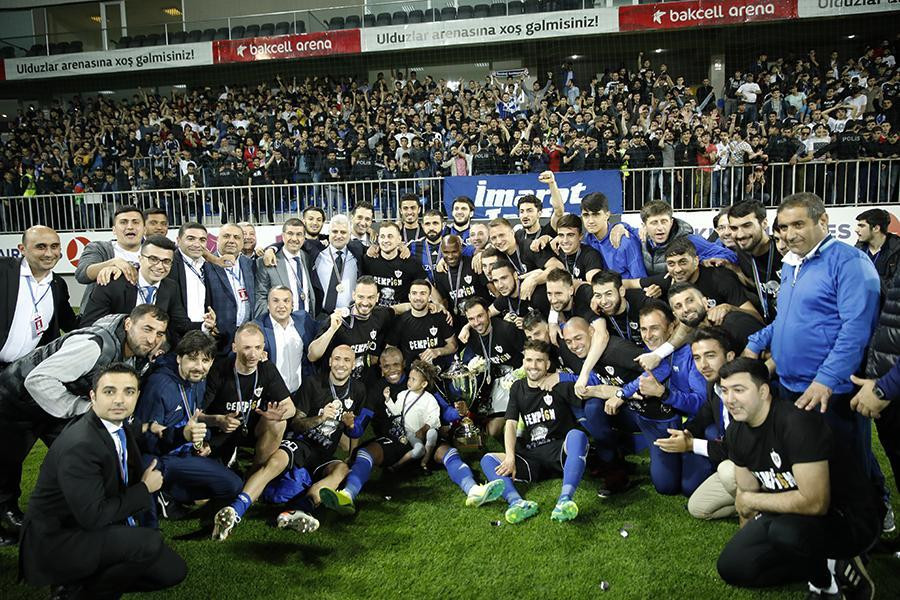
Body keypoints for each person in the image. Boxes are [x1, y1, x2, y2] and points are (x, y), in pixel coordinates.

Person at [744, 193, 883, 512]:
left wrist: (826, 379)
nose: (789, 234)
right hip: (791, 385)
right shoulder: (793, 263)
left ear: (823, 221)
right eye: (783, 227)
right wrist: (756, 341)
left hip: (831, 390)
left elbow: (856, 329)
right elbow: (786, 319)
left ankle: (873, 515)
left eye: (798, 224)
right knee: (811, 459)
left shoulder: (849, 262)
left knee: (848, 462)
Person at [18, 363, 187, 599]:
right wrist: (144, 488)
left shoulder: (115, 425)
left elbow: (139, 436)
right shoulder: (81, 446)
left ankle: (84, 582)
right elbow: (94, 516)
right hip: (56, 541)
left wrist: (182, 434)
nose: (119, 400)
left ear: (137, 396)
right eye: (109, 391)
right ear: (93, 396)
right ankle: (73, 592)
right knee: (148, 543)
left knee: (172, 570)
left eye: (128, 392)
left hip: (87, 526)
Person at [716, 358, 880, 600]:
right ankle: (828, 562)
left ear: (763, 392)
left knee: (785, 533)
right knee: (734, 566)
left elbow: (815, 502)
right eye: (724, 391)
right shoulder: (736, 431)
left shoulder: (797, 423)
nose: (729, 399)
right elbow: (746, 494)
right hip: (790, 515)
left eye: (739, 390)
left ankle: (826, 585)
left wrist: (751, 501)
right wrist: (748, 537)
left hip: (847, 518)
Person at [0, 305, 168, 537]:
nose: (152, 339)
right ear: (128, 324)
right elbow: (37, 380)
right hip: (14, 399)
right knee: (6, 463)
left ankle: (83, 508)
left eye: (159, 334)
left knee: (80, 455)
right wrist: (85, 408)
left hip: (54, 404)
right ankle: (7, 516)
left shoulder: (132, 352)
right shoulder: (93, 347)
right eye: (147, 329)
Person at [213, 345, 367, 540]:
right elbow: (296, 423)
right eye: (337, 359)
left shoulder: (358, 390)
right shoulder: (313, 383)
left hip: (324, 453)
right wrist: (320, 418)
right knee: (275, 462)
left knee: (342, 470)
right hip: (302, 443)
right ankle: (235, 510)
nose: (341, 364)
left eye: (346, 360)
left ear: (353, 365)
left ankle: (300, 510)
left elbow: (355, 430)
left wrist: (351, 432)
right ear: (329, 361)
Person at [595, 301, 710, 496]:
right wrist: (621, 394)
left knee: (691, 488)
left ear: (672, 327)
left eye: (654, 328)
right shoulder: (650, 353)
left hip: (691, 426)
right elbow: (643, 379)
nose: (648, 335)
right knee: (665, 486)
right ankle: (625, 450)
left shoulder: (692, 355)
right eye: (643, 329)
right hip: (661, 424)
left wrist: (664, 394)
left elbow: (702, 406)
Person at [479, 340, 590, 524]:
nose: (533, 365)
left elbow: (588, 389)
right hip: (533, 457)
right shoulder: (518, 387)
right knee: (488, 460)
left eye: (539, 361)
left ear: (547, 364)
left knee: (577, 436)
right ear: (523, 362)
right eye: (529, 360)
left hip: (560, 453)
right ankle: (517, 503)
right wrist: (510, 457)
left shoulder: (559, 384)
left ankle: (565, 500)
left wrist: (562, 376)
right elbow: (511, 424)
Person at [134, 331, 242, 518]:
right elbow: (145, 440)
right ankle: (160, 493)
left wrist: (213, 423)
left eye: (205, 360)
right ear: (179, 358)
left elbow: (192, 414)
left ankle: (170, 493)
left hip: (184, 454)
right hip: (159, 457)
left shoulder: (198, 379)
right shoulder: (159, 385)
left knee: (233, 485)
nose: (199, 367)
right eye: (192, 359)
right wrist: (182, 436)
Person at [317, 359, 442, 515]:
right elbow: (366, 420)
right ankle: (347, 495)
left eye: (396, 364)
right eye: (386, 366)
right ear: (381, 368)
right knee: (364, 452)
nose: (392, 370)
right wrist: (352, 426)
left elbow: (439, 413)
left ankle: (468, 485)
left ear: (403, 365)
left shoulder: (429, 396)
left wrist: (436, 424)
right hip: (396, 438)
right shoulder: (382, 390)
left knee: (443, 450)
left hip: (418, 441)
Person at [204, 323, 296, 502]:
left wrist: (280, 414)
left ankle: (253, 478)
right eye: (247, 348)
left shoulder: (266, 368)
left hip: (251, 428)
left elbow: (290, 407)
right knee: (205, 497)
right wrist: (218, 420)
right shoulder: (219, 370)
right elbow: (199, 414)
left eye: (258, 347)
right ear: (234, 347)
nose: (253, 354)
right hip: (222, 431)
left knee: (278, 423)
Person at [655, 328, 737, 520]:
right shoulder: (714, 383)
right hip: (734, 460)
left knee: (727, 470)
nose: (703, 365)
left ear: (730, 357)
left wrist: (691, 445)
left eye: (710, 356)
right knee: (698, 508)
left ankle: (763, 504)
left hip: (755, 465)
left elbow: (736, 450)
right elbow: (705, 413)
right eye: (697, 358)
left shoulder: (744, 392)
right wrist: (687, 432)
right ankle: (750, 502)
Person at [80, 235, 211, 340]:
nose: (160, 266)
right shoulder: (113, 283)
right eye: (153, 259)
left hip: (153, 354)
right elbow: (90, 325)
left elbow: (180, 325)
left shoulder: (170, 287)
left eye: (166, 261)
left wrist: (205, 326)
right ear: (140, 259)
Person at [0, 226, 78, 369]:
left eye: (54, 246)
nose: (49, 253)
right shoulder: (3, 269)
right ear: (22, 249)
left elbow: (71, 324)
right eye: (41, 247)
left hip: (23, 373)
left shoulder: (58, 284)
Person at [74, 205, 146, 312]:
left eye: (135, 222)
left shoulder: (154, 252)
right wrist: (113, 263)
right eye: (123, 222)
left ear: (144, 229)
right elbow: (82, 274)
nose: (130, 227)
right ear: (114, 230)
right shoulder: (99, 248)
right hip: (103, 317)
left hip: (143, 315)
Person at [638, 200, 736, 275]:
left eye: (664, 221)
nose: (660, 227)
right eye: (654, 223)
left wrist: (698, 262)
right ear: (644, 226)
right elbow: (628, 229)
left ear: (671, 222)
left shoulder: (690, 240)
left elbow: (729, 255)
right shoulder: (640, 237)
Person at [256, 285, 319, 400]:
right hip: (271, 398)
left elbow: (321, 330)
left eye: (286, 301)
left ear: (292, 305)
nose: (281, 306)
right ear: (268, 305)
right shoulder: (258, 328)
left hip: (300, 395)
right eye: (276, 301)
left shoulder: (303, 320)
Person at [727, 201, 783, 323]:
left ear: (764, 223)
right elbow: (760, 285)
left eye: (747, 226)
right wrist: (734, 269)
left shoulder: (783, 250)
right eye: (734, 228)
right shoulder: (743, 252)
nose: (740, 235)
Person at [668, 283, 763, 352]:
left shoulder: (735, 322)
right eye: (678, 306)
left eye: (690, 301)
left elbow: (770, 351)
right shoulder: (693, 339)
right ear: (675, 315)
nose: (685, 309)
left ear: (705, 302)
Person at [254, 218, 318, 317]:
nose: (294, 239)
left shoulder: (307, 257)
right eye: (290, 234)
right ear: (283, 236)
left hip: (307, 321)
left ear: (304, 237)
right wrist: (268, 323)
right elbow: (261, 297)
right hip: (280, 322)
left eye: (299, 234)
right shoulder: (267, 261)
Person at [204, 223, 254, 349]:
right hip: (217, 339)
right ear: (217, 239)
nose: (231, 241)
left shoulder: (250, 264)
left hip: (246, 336)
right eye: (226, 236)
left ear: (242, 242)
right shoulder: (206, 265)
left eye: (236, 237)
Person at [387, 279, 456, 368]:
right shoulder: (400, 321)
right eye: (414, 293)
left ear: (429, 297)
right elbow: (389, 350)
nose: (418, 298)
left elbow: (453, 346)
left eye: (423, 293)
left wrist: (438, 351)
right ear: (409, 297)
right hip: (411, 372)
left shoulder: (440, 316)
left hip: (439, 370)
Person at [360, 221, 425, 307]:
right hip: (376, 312)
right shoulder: (368, 260)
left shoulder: (411, 262)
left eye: (390, 236)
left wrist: (438, 304)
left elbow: (425, 285)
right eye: (382, 236)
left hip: (401, 312)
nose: (386, 240)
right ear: (378, 239)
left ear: (399, 239)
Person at [167, 222, 216, 329]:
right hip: (176, 332)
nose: (197, 244)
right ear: (178, 240)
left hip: (204, 331)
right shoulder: (169, 264)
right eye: (191, 239)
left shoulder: (208, 265)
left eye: (202, 240)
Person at [313, 214, 358, 314]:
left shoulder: (357, 255)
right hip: (321, 315)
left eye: (343, 232)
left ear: (349, 234)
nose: (339, 236)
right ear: (328, 233)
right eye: (334, 231)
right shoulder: (316, 255)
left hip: (349, 315)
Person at [855, 208, 900, 289]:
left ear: (876, 228)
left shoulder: (897, 249)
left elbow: (896, 284)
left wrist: (869, 281)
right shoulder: (858, 249)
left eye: (862, 226)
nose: (856, 230)